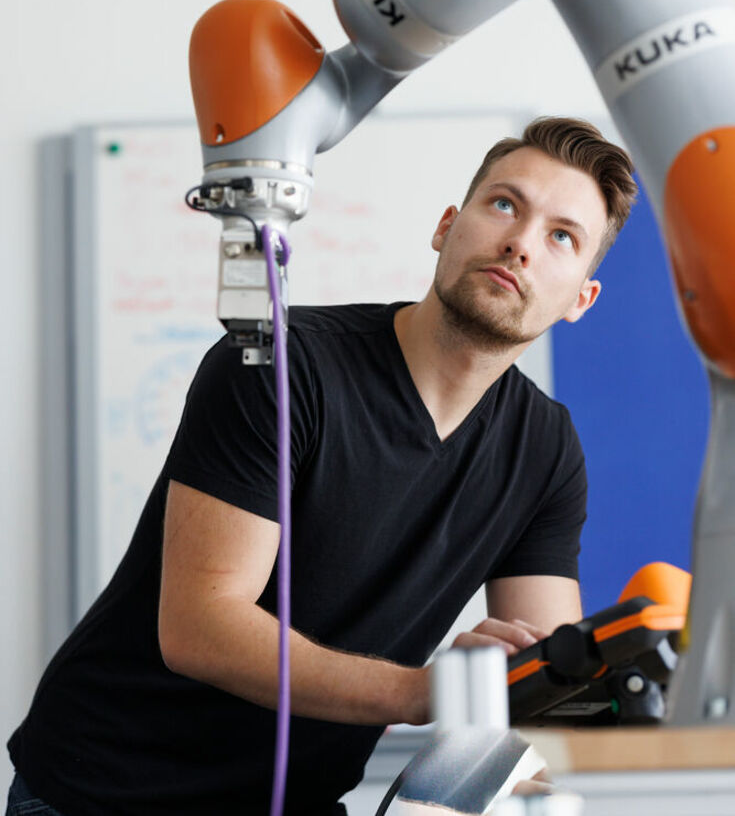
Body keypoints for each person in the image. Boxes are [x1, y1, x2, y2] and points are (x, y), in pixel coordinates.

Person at [7, 116, 637, 816]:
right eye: (503, 205)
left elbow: (543, 677)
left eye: (561, 237)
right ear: (445, 226)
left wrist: (565, 695)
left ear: (581, 299)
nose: (520, 243)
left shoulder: (545, 448)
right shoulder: (281, 364)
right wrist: (427, 691)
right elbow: (198, 628)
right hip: (105, 791)